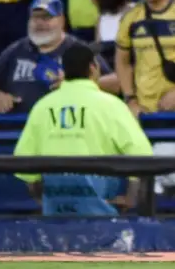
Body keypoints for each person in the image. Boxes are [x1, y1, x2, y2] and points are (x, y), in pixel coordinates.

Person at [13, 42, 153, 216]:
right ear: (93, 68)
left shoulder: (42, 106)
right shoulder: (111, 105)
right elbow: (141, 153)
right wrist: (131, 197)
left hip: (55, 217)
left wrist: (43, 201)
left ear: (63, 71)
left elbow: (25, 164)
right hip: (101, 218)